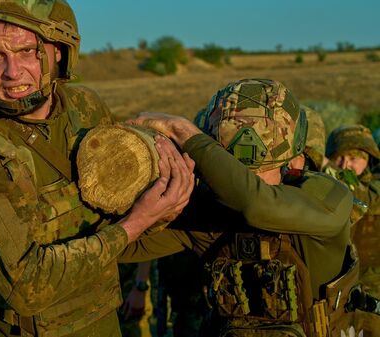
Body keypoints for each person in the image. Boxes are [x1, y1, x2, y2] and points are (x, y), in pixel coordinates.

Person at [0, 1, 194, 336]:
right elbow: (25, 288)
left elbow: (121, 213)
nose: (11, 72)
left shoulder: (84, 108)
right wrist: (135, 223)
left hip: (102, 318)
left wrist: (168, 194)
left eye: (27, 52)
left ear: (58, 52)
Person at [123, 79, 359, 337]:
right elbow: (129, 248)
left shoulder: (328, 196)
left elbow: (257, 204)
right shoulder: (215, 208)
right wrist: (141, 215)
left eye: (257, 171)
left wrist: (183, 132)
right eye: (239, 170)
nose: (245, 177)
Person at [326, 125, 380, 273]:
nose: (345, 165)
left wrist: (325, 165)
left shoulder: (374, 188)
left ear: (367, 160)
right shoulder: (323, 187)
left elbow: (359, 195)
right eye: (339, 158)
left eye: (353, 158)